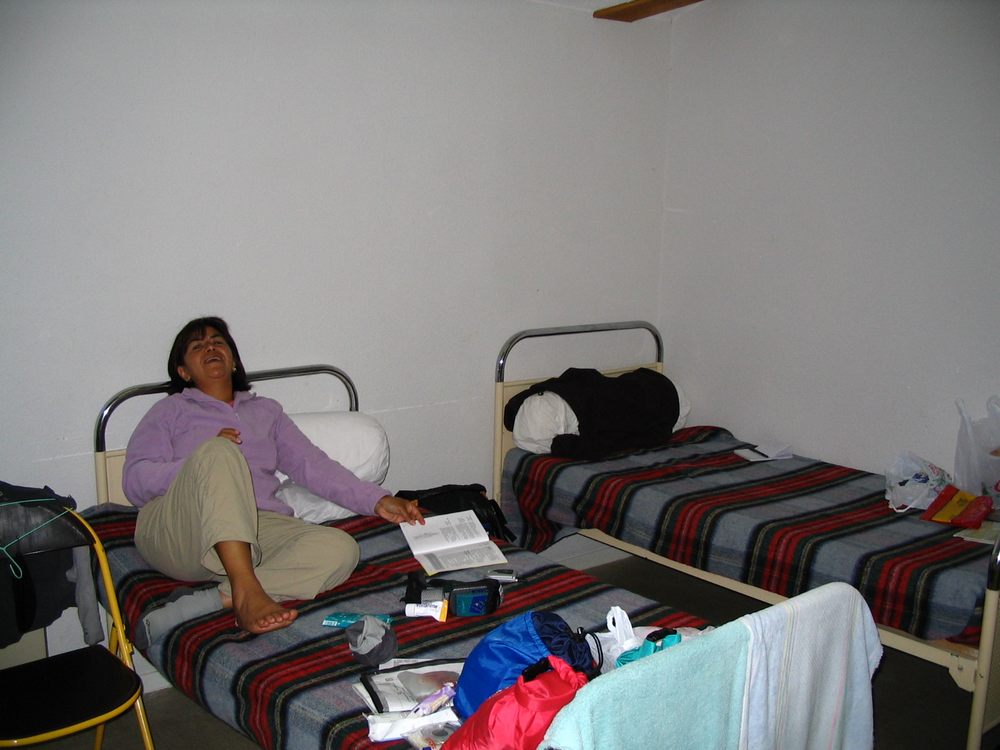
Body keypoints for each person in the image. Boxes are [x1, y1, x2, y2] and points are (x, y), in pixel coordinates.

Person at [122, 316, 424, 635]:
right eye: (197, 346)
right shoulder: (169, 411)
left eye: (217, 342)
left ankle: (216, 598)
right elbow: (135, 481)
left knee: (340, 549)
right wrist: (200, 462)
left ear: (233, 361)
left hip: (256, 526)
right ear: (183, 372)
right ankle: (247, 593)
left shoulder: (266, 412)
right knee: (219, 452)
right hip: (181, 530)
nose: (210, 347)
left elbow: (314, 466)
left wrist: (378, 500)